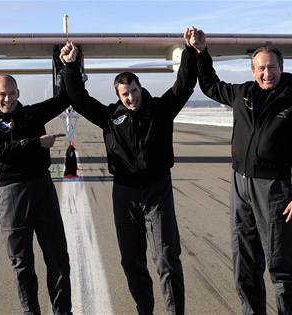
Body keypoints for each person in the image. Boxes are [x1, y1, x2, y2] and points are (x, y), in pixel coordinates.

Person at [59, 29, 199, 315]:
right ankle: (144, 309)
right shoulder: (110, 118)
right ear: (118, 95)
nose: (131, 97)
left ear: (140, 87)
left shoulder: (160, 109)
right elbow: (78, 97)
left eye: (134, 91)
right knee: (132, 260)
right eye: (125, 94)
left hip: (158, 190)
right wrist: (70, 66)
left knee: (167, 258)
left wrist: (189, 51)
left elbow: (184, 85)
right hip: (124, 194)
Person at [189, 28, 292, 314]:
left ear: (281, 68)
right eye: (261, 68)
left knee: (281, 262)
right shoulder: (242, 94)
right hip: (240, 185)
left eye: (271, 67)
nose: (266, 73)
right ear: (253, 71)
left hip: (273, 190)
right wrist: (201, 52)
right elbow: (210, 85)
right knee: (245, 261)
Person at [0, 74, 72, 315]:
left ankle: (63, 311)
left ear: (18, 93)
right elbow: (0, 151)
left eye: (11, 93)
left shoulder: (31, 114)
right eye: (2, 94)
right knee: (22, 264)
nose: (7, 98)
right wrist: (36, 143)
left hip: (43, 189)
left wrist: (67, 66)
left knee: (58, 259)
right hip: (12, 195)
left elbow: (63, 99)